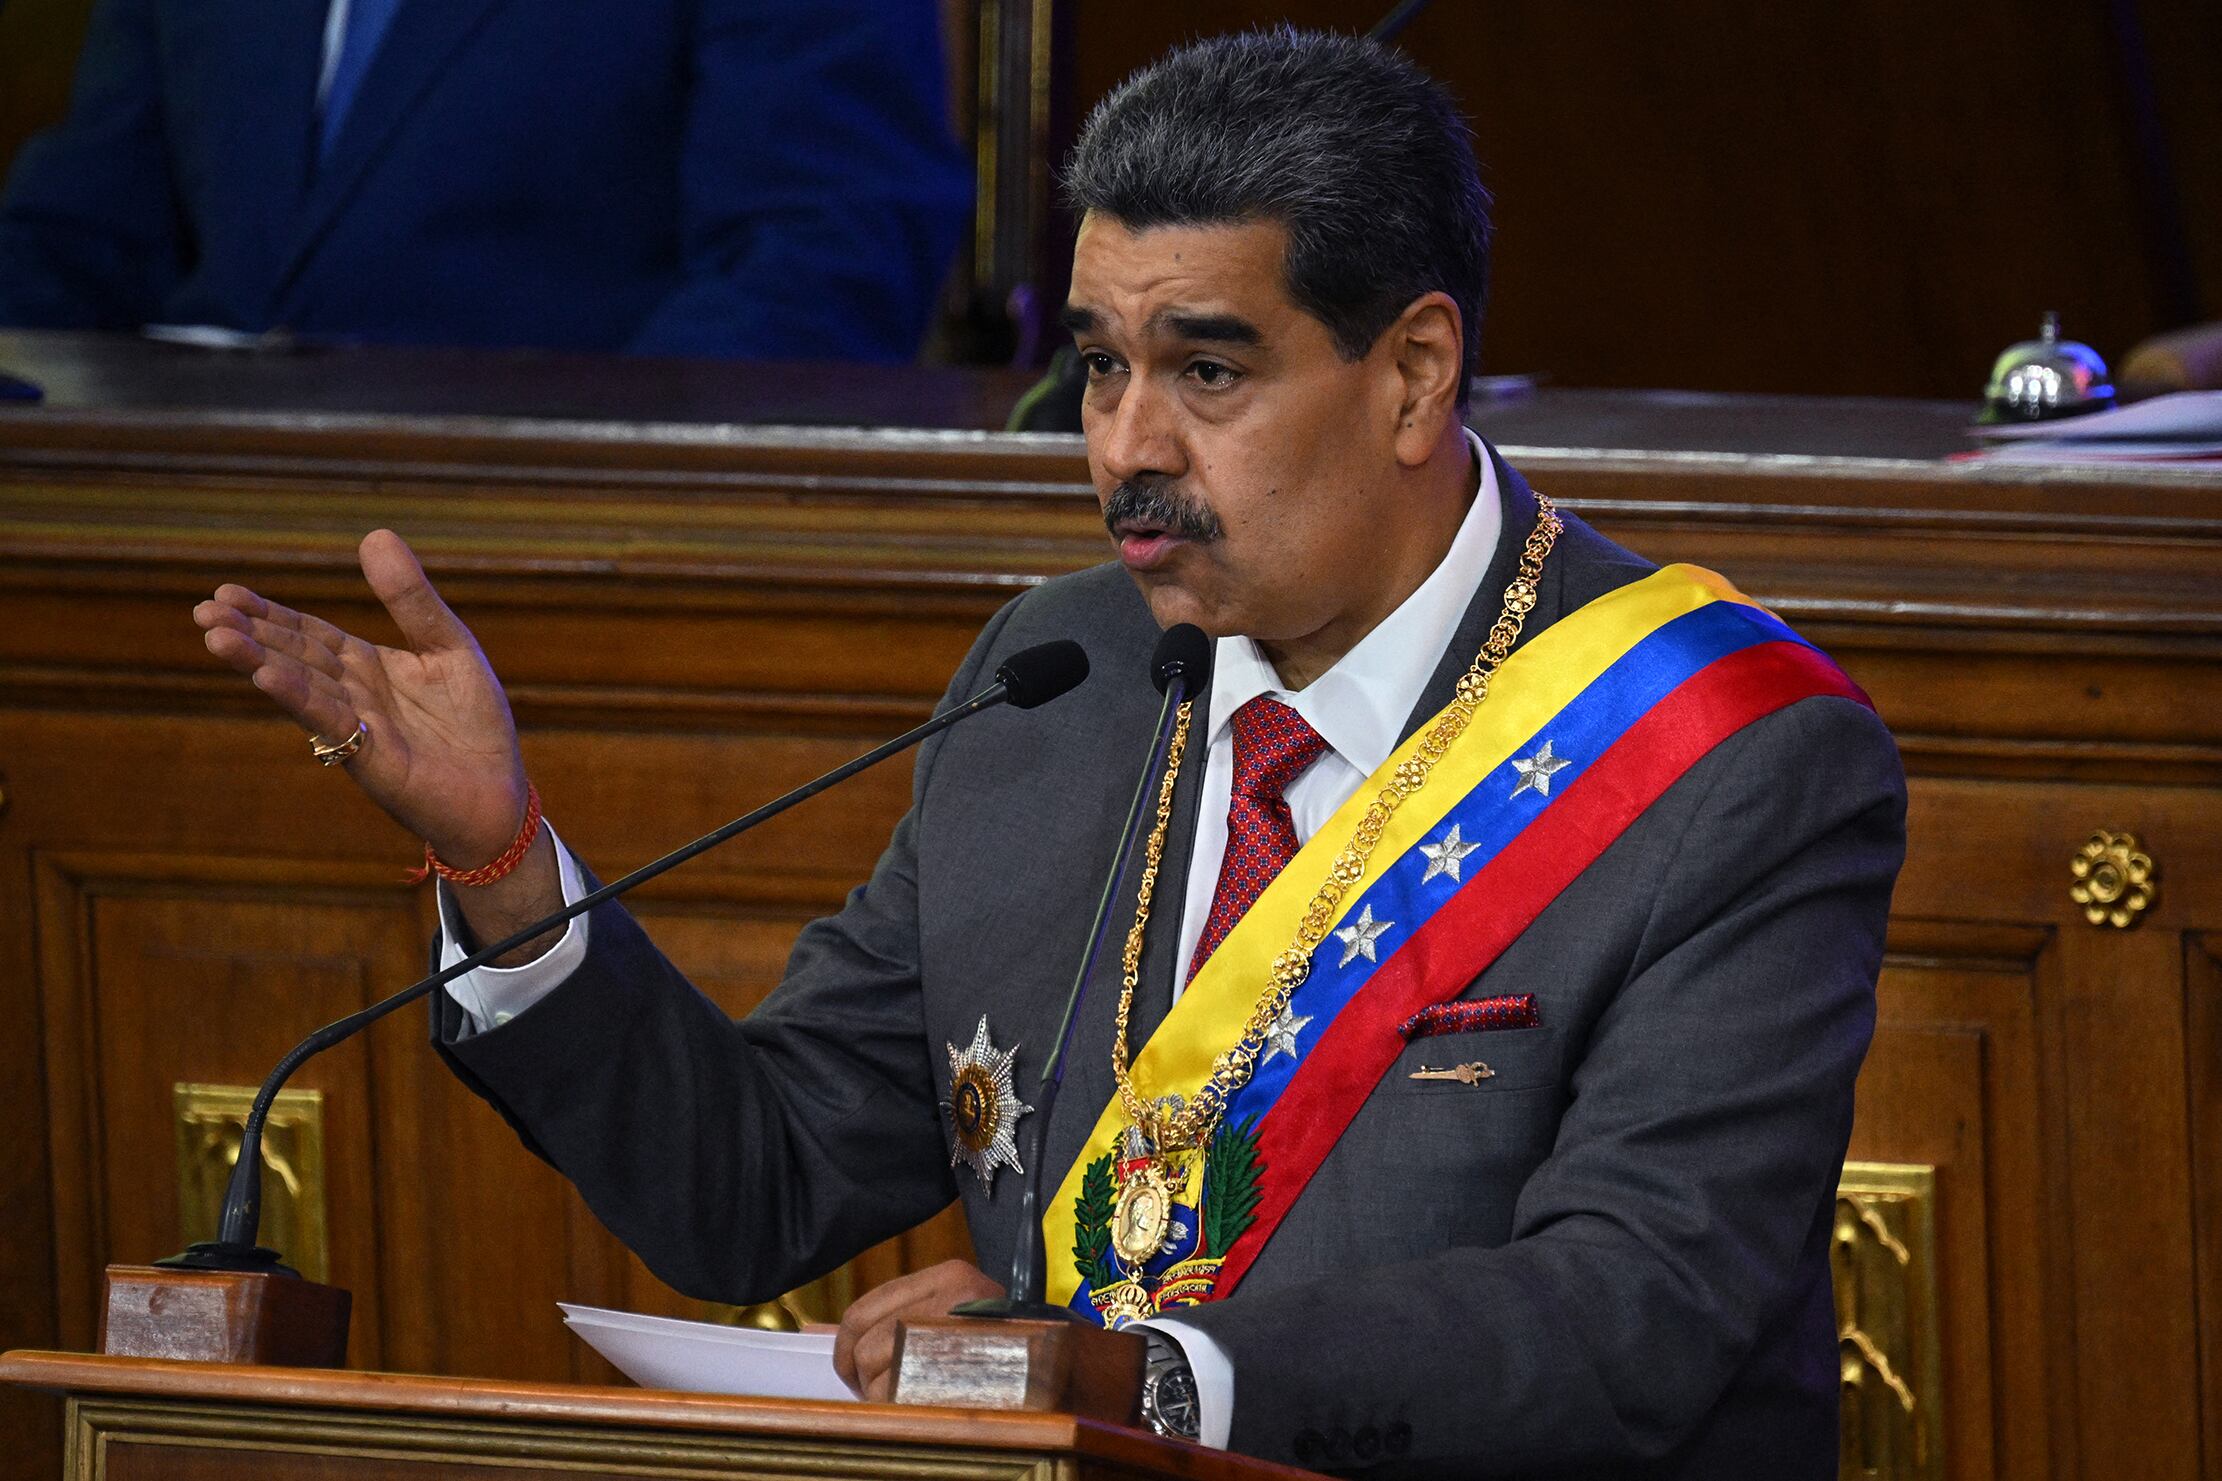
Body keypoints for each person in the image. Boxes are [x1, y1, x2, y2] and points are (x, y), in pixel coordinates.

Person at [192, 30, 1904, 1477]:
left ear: (1411, 374)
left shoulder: (1722, 752)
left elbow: (1634, 1312)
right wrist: (505, 865)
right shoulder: (1061, 669)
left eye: (1206, 371)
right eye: (1097, 369)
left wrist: (1139, 1375)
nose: (1125, 452)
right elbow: (760, 1184)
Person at [0, 0, 968, 361]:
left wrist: (550, 499)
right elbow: (79, 234)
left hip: (542, 583)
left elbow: (820, 261)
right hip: (186, 565)